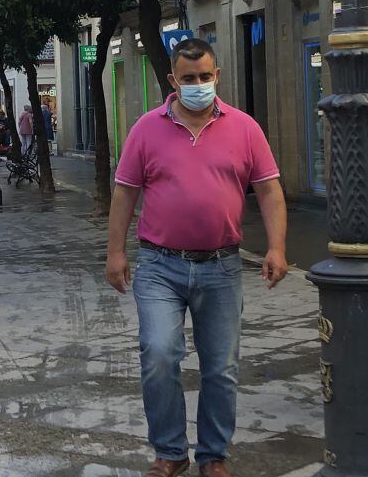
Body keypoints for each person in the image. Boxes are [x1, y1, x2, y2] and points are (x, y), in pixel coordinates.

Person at [105, 38, 288, 477]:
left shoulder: (245, 128)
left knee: (221, 367)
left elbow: (269, 190)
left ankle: (213, 455)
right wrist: (114, 252)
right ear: (173, 80)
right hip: (159, 265)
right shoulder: (146, 128)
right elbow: (125, 191)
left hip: (222, 266)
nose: (198, 85)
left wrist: (278, 247)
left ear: (217, 75)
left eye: (205, 76)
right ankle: (169, 452)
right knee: (160, 352)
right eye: (189, 79)